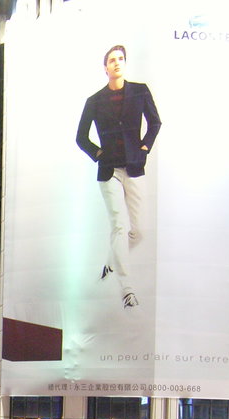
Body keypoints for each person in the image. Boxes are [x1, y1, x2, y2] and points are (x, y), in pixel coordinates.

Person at [76, 43, 162, 309]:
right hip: (109, 171)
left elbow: (155, 122)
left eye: (121, 59)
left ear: (125, 63)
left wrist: (144, 147)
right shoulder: (94, 100)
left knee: (140, 231)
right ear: (105, 67)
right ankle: (127, 290)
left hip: (134, 166)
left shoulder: (140, 91)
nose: (117, 63)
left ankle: (111, 263)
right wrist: (98, 153)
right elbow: (81, 137)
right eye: (112, 60)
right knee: (119, 226)